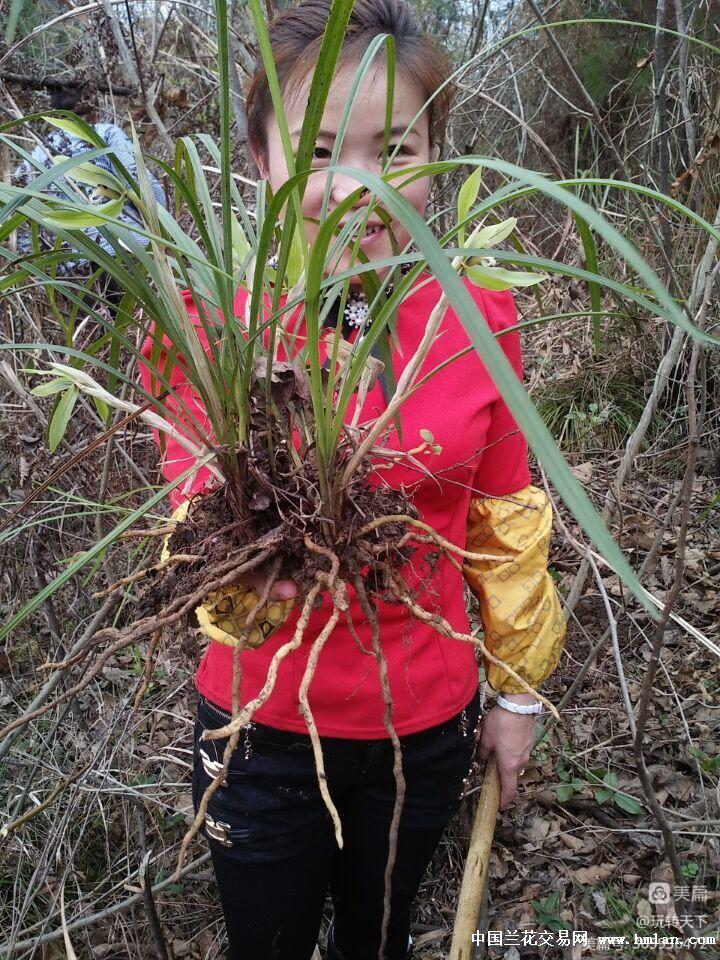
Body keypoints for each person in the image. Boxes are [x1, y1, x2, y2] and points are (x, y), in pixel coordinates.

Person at [139, 1, 566, 958]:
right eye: (324, 147)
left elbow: (506, 522)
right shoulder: (208, 326)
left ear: (439, 163)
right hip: (259, 728)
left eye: (398, 148)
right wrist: (238, 571)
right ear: (262, 161)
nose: (362, 185)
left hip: (428, 727)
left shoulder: (478, 315)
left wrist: (516, 699)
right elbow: (190, 514)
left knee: (379, 941)